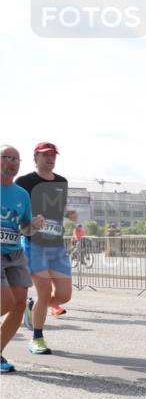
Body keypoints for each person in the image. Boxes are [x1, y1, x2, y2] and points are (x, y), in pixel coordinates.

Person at [16, 142, 77, 354]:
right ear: (36, 157)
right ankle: (37, 338)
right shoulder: (24, 181)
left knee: (63, 295)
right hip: (34, 243)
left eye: (53, 155)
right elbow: (18, 211)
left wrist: (68, 212)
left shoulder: (62, 181)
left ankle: (33, 309)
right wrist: (31, 220)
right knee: (44, 293)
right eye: (46, 155)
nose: (50, 158)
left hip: (56, 245)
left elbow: (57, 208)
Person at [1, 146, 44, 372]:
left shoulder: (21, 194)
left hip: (14, 253)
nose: (12, 162)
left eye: (16, 159)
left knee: (18, 305)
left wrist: (34, 225)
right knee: (5, 302)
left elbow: (26, 229)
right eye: (6, 157)